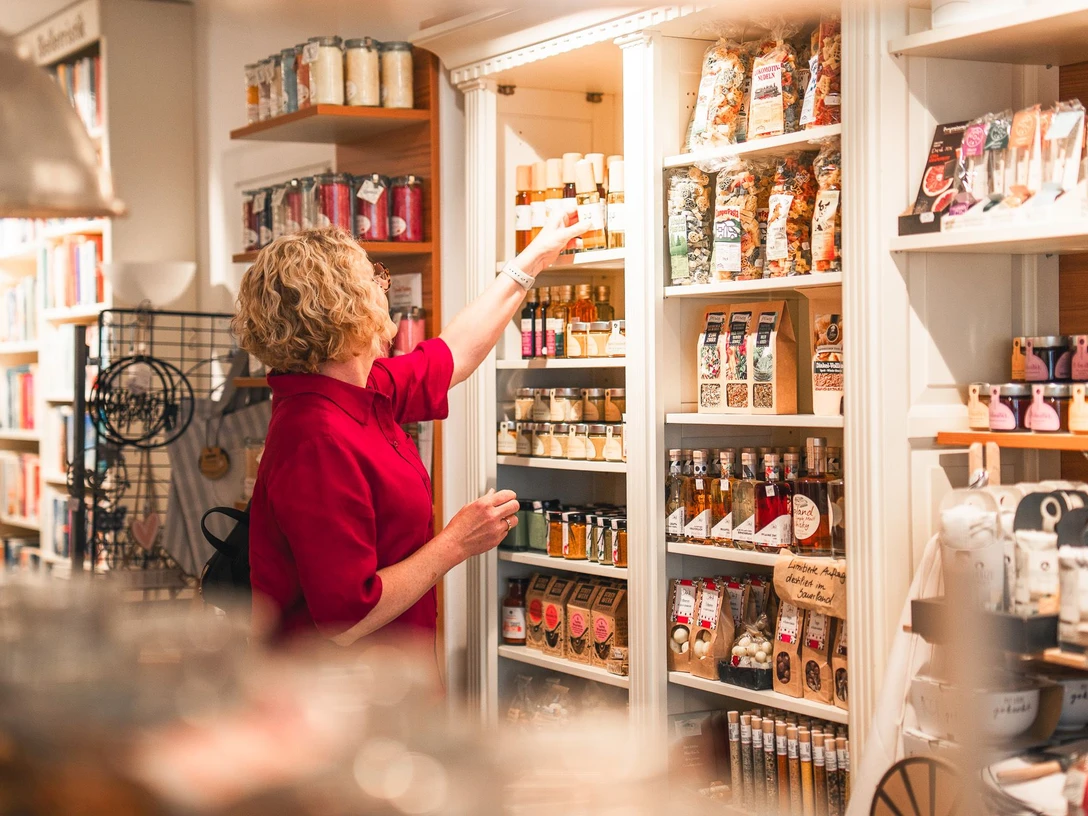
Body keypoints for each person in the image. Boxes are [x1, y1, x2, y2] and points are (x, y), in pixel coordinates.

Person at [233, 211, 590, 646]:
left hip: (390, 668)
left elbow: (453, 354)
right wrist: (456, 542)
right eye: (374, 278)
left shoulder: (361, 388)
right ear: (345, 306)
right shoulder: (316, 438)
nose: (384, 287)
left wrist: (531, 260)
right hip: (343, 682)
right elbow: (345, 620)